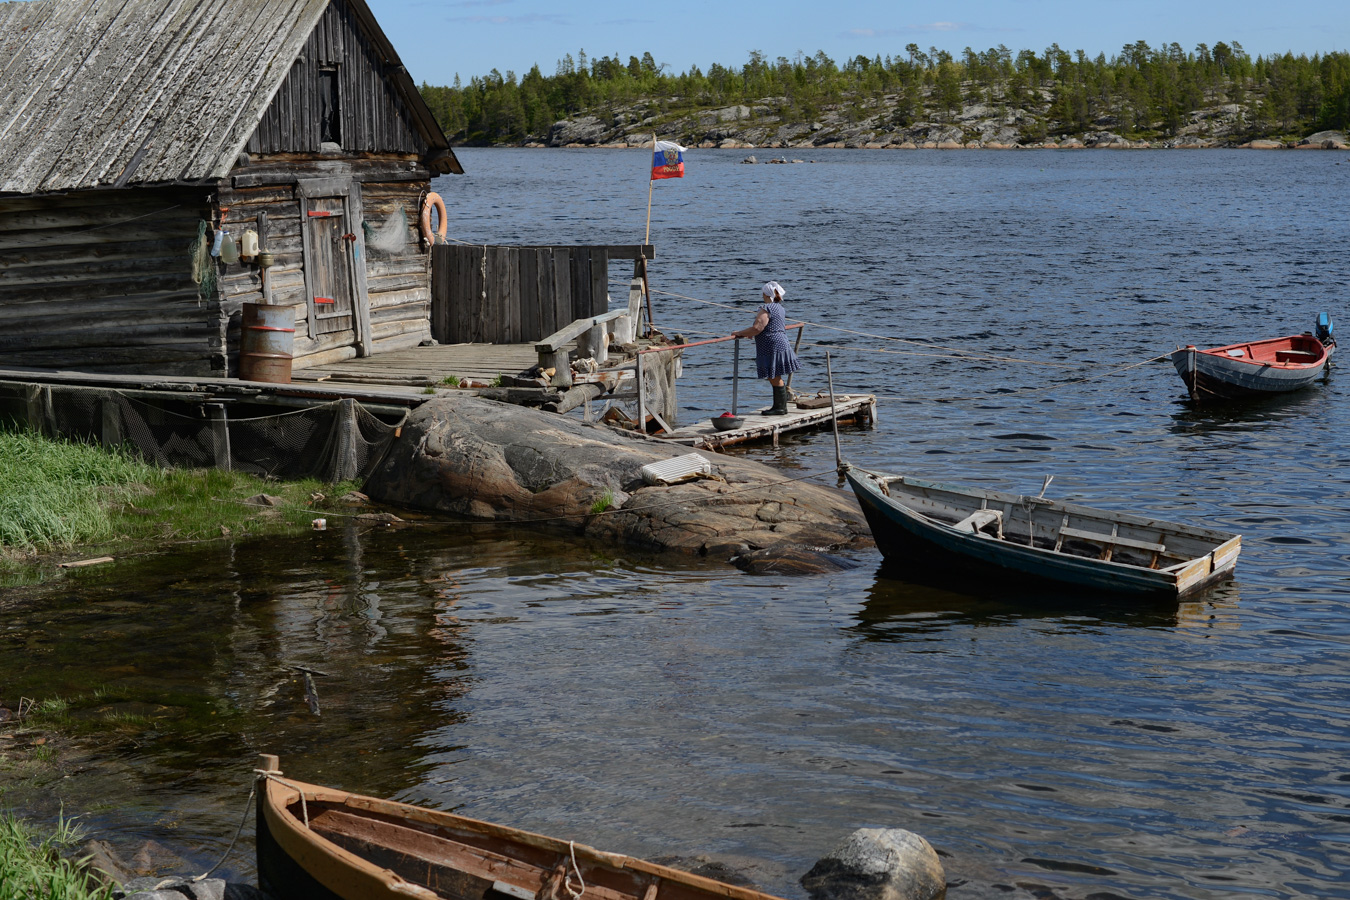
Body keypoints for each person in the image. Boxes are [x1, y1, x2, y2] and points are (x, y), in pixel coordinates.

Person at [731, 281, 801, 415]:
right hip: (780, 342)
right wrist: (749, 333)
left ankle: (780, 408)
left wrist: (740, 333)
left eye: (763, 293)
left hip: (771, 345)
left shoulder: (766, 308)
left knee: (773, 375)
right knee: (775, 374)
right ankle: (780, 407)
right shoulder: (779, 308)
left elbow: (758, 327)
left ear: (766, 294)